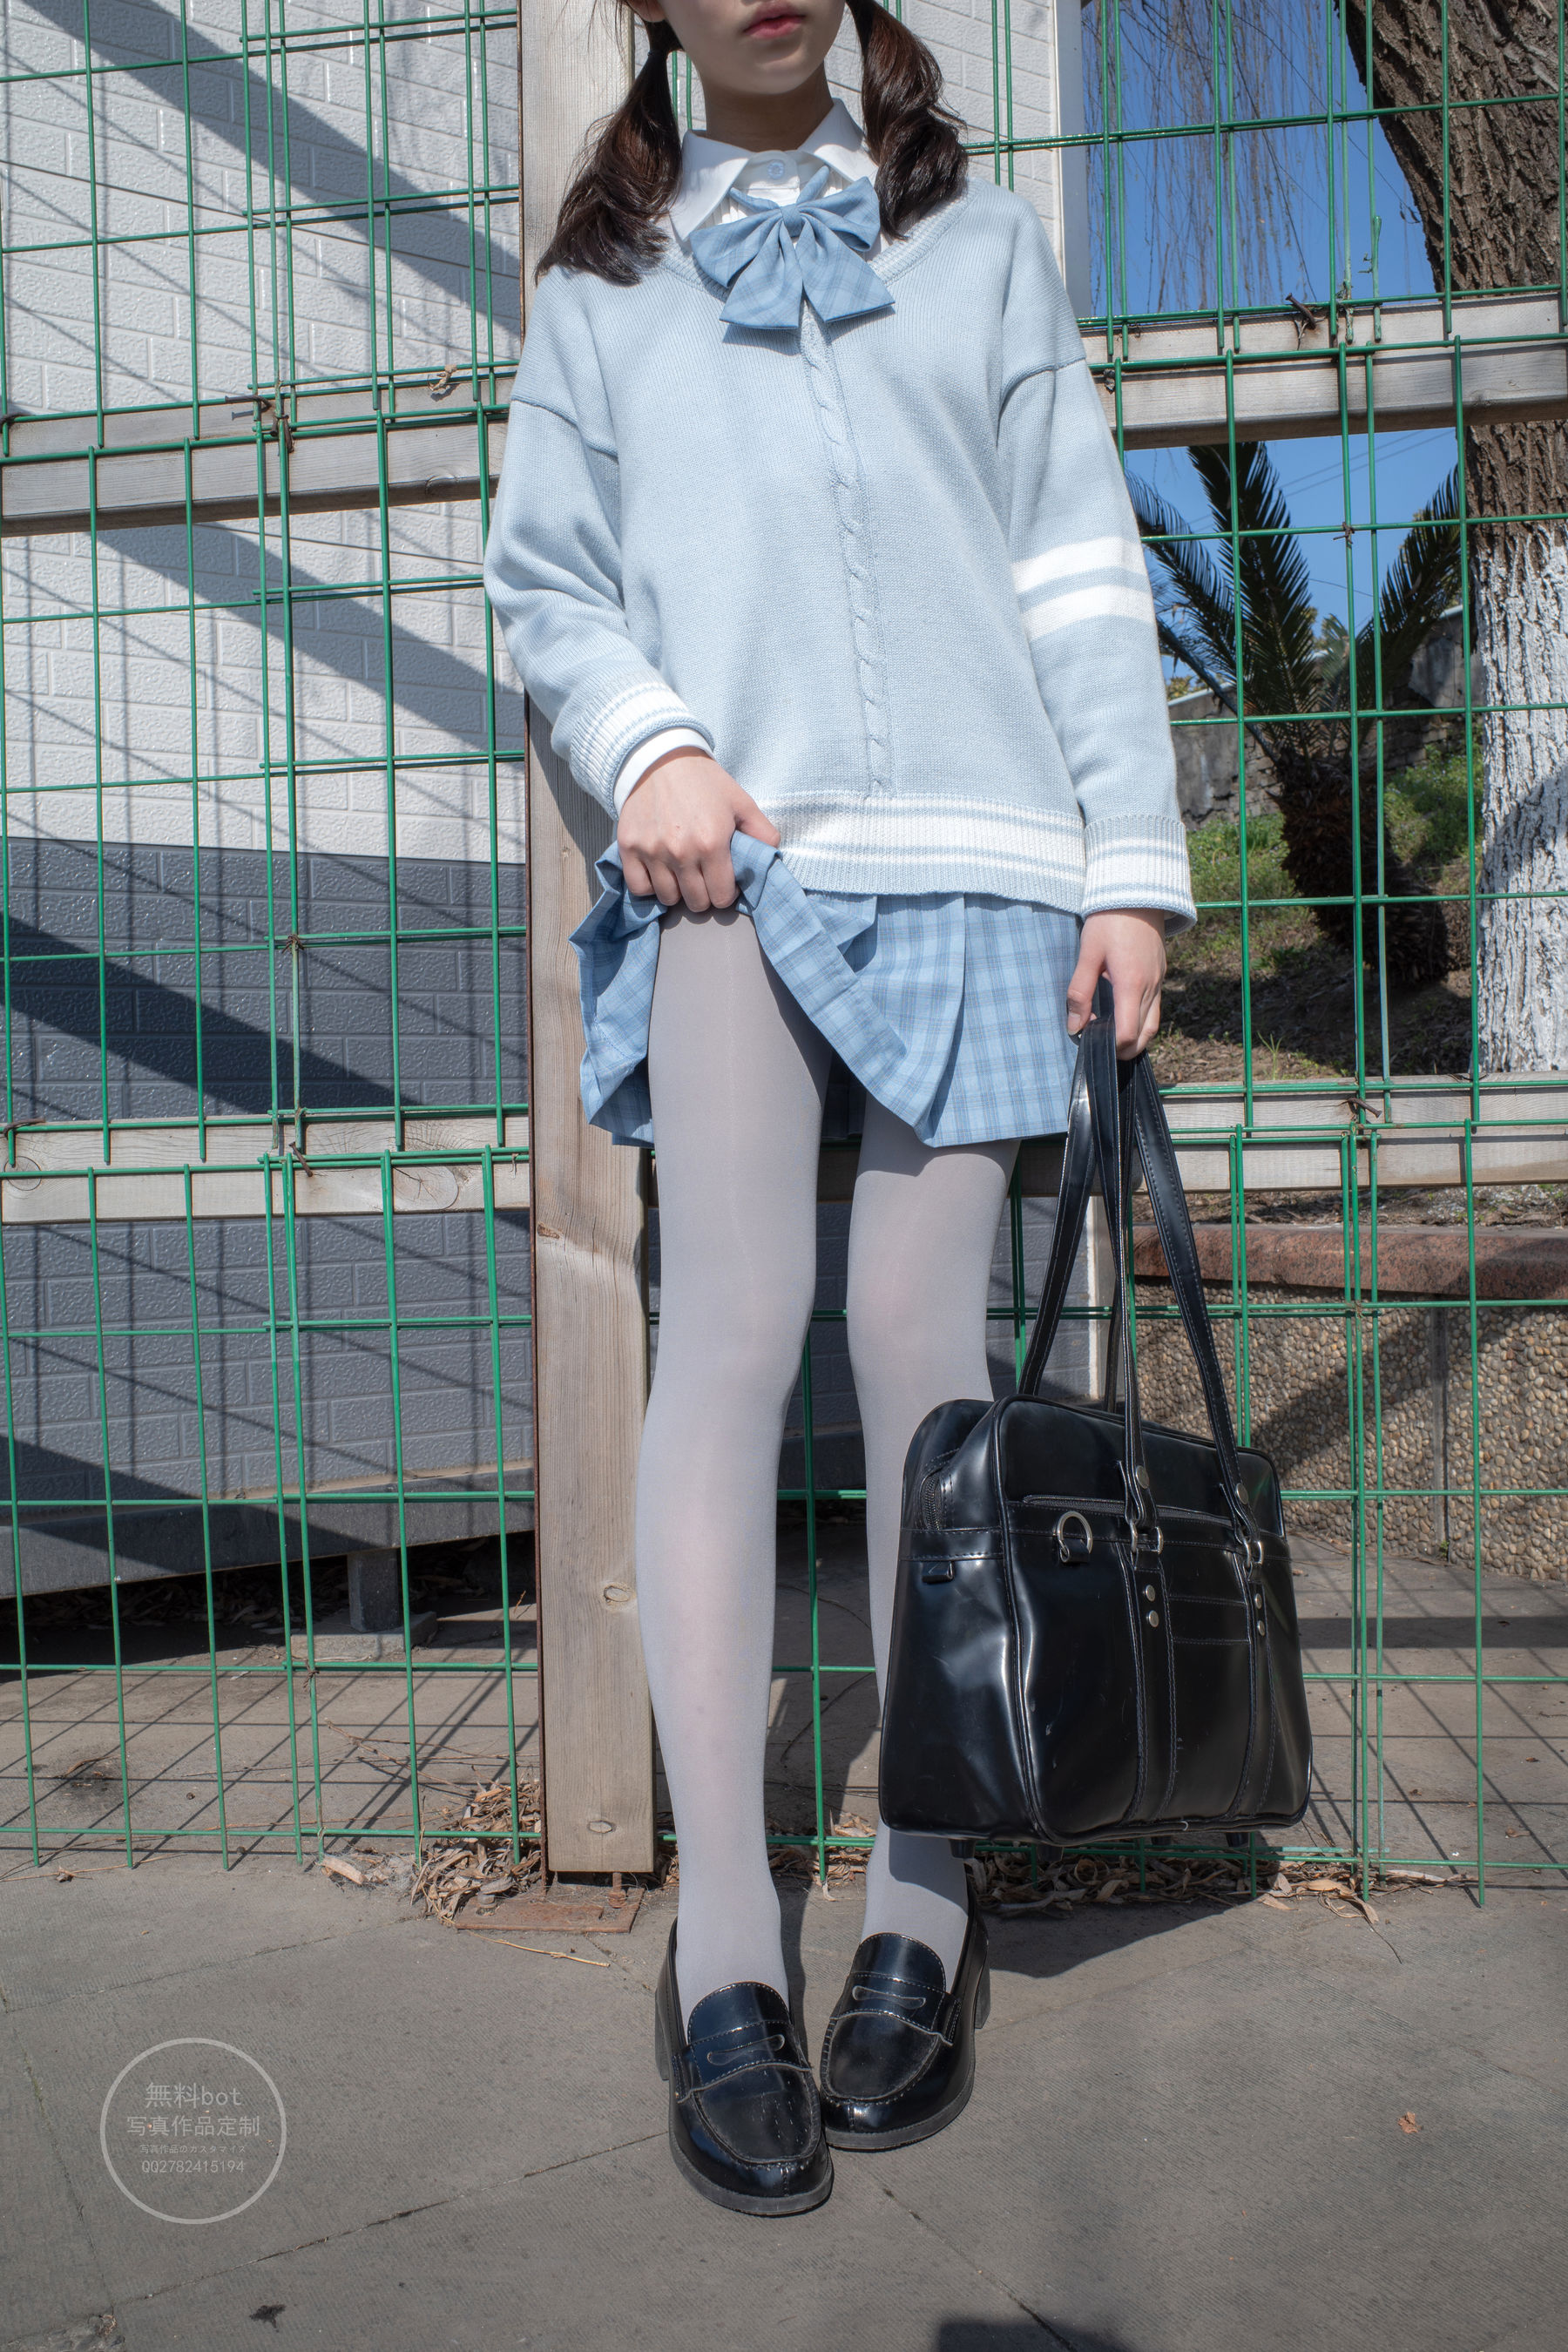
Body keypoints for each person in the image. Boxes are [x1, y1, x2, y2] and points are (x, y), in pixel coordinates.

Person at [485, 0, 1193, 2217]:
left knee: (923, 1364)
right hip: (741, 862)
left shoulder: (981, 244)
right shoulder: (601, 285)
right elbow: (547, 572)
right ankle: (723, 1942)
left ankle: (922, 1893)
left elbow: (1076, 558)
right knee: (720, 1340)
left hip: (985, 863)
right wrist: (654, 747)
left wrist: (1131, 865)